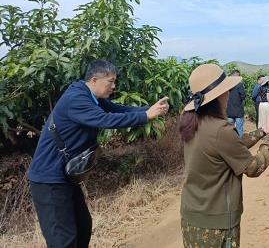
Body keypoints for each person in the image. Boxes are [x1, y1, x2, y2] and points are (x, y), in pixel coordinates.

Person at [28, 59, 169, 248]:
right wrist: (145, 116)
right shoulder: (77, 99)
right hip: (49, 179)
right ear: (94, 80)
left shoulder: (92, 96)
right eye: (110, 81)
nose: (114, 86)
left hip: (65, 177)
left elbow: (117, 110)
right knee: (63, 240)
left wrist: (150, 109)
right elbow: (105, 120)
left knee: (83, 227)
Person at [179, 63, 269, 247]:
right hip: (216, 224)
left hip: (191, 215)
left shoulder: (192, 120)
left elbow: (230, 145)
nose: (229, 94)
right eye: (226, 90)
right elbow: (254, 167)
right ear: (218, 96)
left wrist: (262, 131)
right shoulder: (221, 130)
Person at [226, 69, 246, 137]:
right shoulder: (240, 85)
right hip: (238, 111)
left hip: (229, 111)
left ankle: (229, 143)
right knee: (239, 129)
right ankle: (239, 145)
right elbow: (243, 96)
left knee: (229, 129)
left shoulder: (227, 85)